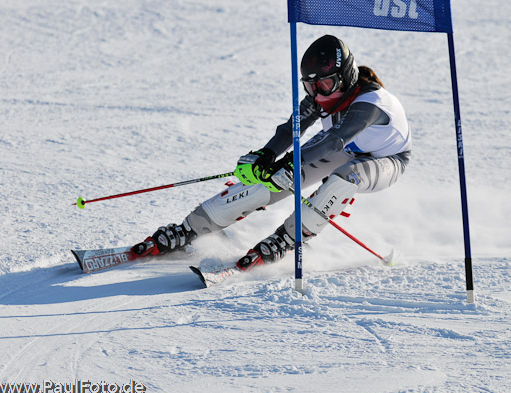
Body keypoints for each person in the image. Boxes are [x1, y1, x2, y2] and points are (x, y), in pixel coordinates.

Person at [131, 34, 412, 270]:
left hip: (384, 160)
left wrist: (289, 163)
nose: (318, 93)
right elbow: (292, 129)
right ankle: (191, 228)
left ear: (345, 77)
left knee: (342, 178)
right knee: (273, 176)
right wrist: (266, 157)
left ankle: (288, 239)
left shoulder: (372, 103)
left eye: (325, 84)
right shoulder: (321, 97)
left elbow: (336, 139)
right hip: (346, 148)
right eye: (310, 86)